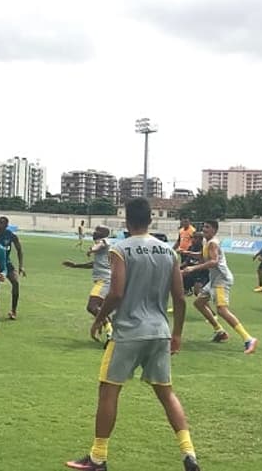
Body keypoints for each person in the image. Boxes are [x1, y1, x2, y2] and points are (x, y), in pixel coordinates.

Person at [66, 198, 201, 471]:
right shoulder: (168, 251)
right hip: (160, 333)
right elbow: (180, 298)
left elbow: (115, 293)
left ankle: (98, 457)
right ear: (151, 220)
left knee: (108, 391)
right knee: (166, 393)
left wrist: (99, 319)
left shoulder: (120, 249)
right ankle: (189, 453)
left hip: (128, 332)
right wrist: (177, 334)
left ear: (127, 221)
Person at [182, 220, 258, 354]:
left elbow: (213, 261)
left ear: (214, 230)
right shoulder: (208, 243)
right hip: (214, 280)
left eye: (207, 227)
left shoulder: (212, 243)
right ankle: (220, 331)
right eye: (204, 226)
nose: (204, 229)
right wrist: (188, 253)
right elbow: (203, 256)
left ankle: (248, 339)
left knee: (222, 310)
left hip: (221, 280)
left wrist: (193, 268)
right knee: (199, 303)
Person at [62, 225, 113, 345]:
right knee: (101, 309)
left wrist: (92, 249)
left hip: (104, 280)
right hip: (105, 280)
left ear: (103, 234)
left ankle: (110, 331)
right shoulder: (102, 250)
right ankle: (110, 331)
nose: (94, 233)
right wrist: (75, 265)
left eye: (97, 231)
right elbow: (93, 264)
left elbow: (100, 244)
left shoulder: (105, 242)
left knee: (92, 306)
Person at [0, 216, 26, 320]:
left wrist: (21, 266)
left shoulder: (11, 235)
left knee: (15, 282)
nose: (1, 225)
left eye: (3, 223)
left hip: (7, 264)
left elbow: (19, 250)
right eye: (0, 223)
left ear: (7, 225)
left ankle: (13, 310)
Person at [180, 232, 208, 296]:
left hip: (201, 274)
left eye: (195, 238)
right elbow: (186, 262)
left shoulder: (204, 249)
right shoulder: (191, 247)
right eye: (192, 238)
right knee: (178, 274)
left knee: (198, 293)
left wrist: (189, 269)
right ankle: (186, 290)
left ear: (200, 239)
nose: (192, 240)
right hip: (191, 272)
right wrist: (178, 267)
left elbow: (201, 262)